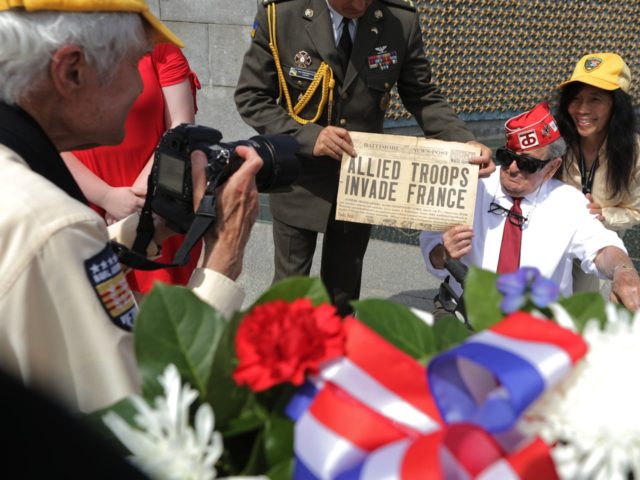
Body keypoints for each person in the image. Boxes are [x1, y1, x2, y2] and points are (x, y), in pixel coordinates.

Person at [0, 1, 261, 413]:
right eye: (133, 64)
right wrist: (224, 259)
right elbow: (141, 411)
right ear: (72, 71)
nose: (141, 88)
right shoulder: (52, 225)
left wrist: (146, 229)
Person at [234, 0, 494, 315]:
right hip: (300, 178)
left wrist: (464, 140)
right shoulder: (282, 15)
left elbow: (421, 94)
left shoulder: (399, 20)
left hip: (363, 181)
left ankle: (336, 359)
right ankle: (281, 359)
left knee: (343, 292)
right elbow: (252, 96)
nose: (358, 4)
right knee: (288, 288)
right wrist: (309, 136)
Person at [420, 102, 640, 312]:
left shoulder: (569, 202)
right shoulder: (470, 185)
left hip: (538, 321)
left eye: (527, 164)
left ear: (552, 168)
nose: (513, 169)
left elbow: (602, 249)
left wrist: (623, 270)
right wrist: (444, 254)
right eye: (506, 157)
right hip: (464, 308)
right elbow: (431, 246)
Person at [61, 43, 203, 295]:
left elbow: (182, 127)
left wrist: (138, 198)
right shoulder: (52, 55)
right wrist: (106, 196)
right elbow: (46, 138)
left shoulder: (160, 48)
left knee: (163, 312)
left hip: (155, 200)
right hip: (81, 202)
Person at [554, 52, 640, 292]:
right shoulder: (554, 139)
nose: (582, 109)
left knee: (577, 306)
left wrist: (604, 213)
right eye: (576, 99)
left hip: (596, 246)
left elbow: (635, 210)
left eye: (595, 99)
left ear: (616, 105)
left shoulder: (635, 152)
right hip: (551, 237)